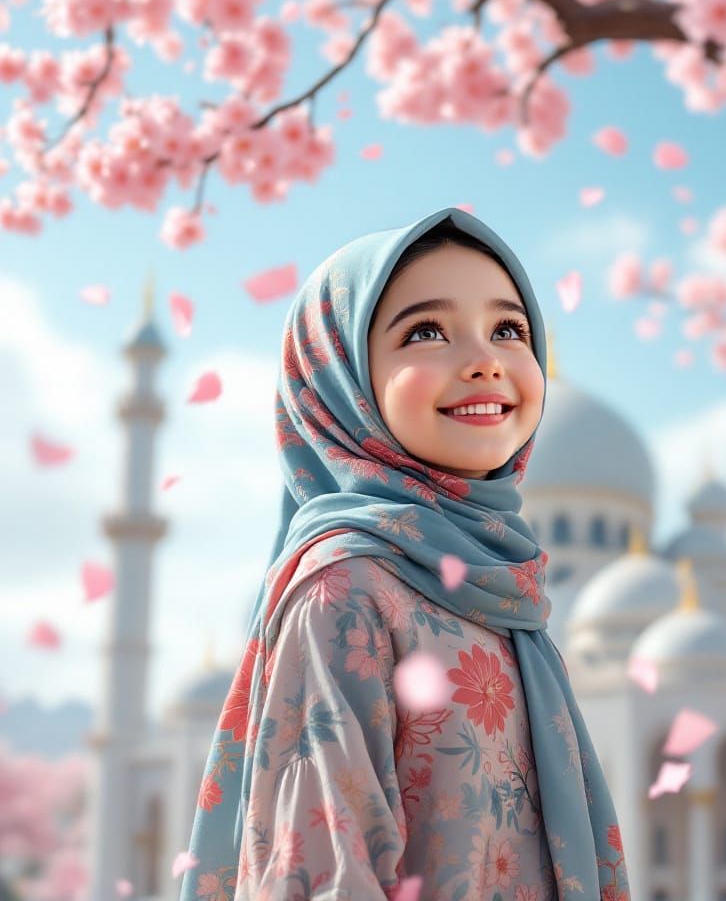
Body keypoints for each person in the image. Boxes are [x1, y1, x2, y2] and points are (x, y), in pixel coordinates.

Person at [178, 206, 631, 901]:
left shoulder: (505, 591)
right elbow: (323, 871)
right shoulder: (347, 590)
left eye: (508, 329)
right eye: (426, 331)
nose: (484, 359)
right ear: (341, 378)